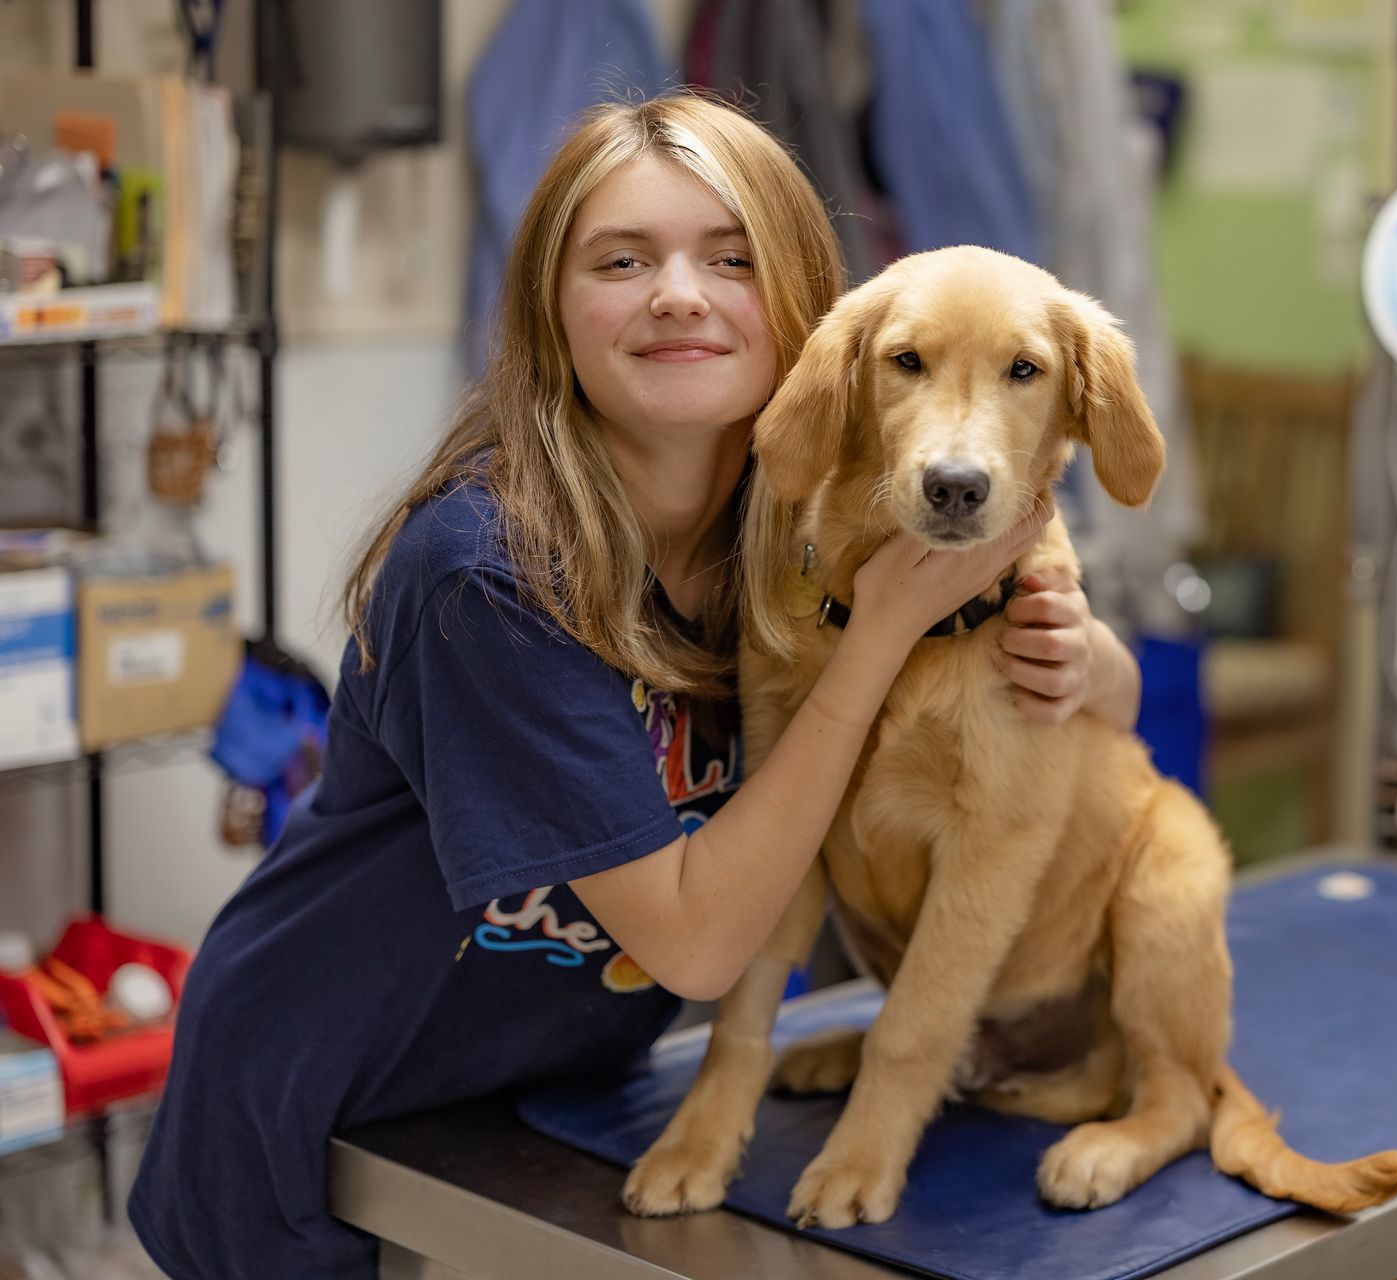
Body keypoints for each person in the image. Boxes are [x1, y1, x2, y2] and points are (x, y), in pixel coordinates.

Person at [128, 94, 1143, 1279]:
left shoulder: (790, 529)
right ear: (552, 311)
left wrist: (1087, 653)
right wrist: (878, 639)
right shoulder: (490, 578)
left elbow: (1062, 714)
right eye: (622, 259)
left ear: (808, 317)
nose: (677, 291)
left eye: (730, 257)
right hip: (330, 1114)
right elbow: (703, 944)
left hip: (559, 1102)